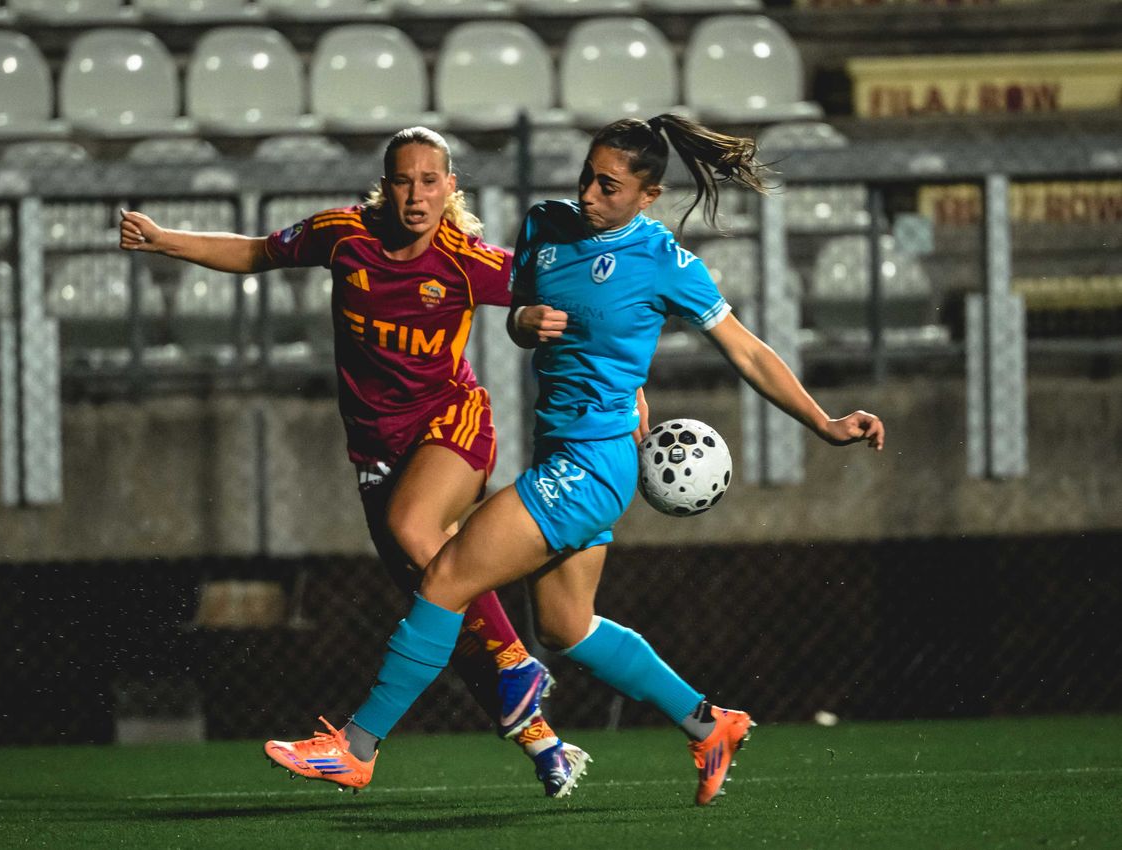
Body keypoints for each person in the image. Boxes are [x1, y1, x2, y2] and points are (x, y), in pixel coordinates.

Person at [265, 114, 885, 806]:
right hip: (562, 451)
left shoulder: (663, 260)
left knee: (445, 576)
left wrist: (824, 422)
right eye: (587, 176)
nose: (589, 194)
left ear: (647, 196)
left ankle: (355, 748)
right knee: (565, 627)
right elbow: (522, 310)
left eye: (609, 186)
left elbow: (745, 350)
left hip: (592, 468)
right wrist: (521, 324)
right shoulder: (545, 226)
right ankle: (707, 723)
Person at [119, 127, 589, 797]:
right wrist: (164, 239)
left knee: (416, 532)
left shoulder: (466, 258)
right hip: (377, 457)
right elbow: (256, 253)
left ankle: (509, 670)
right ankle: (547, 749)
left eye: (431, 180)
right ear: (384, 184)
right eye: (404, 179)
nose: (417, 193)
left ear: (450, 188)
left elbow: (566, 295)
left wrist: (616, 381)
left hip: (452, 426)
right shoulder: (342, 236)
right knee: (441, 610)